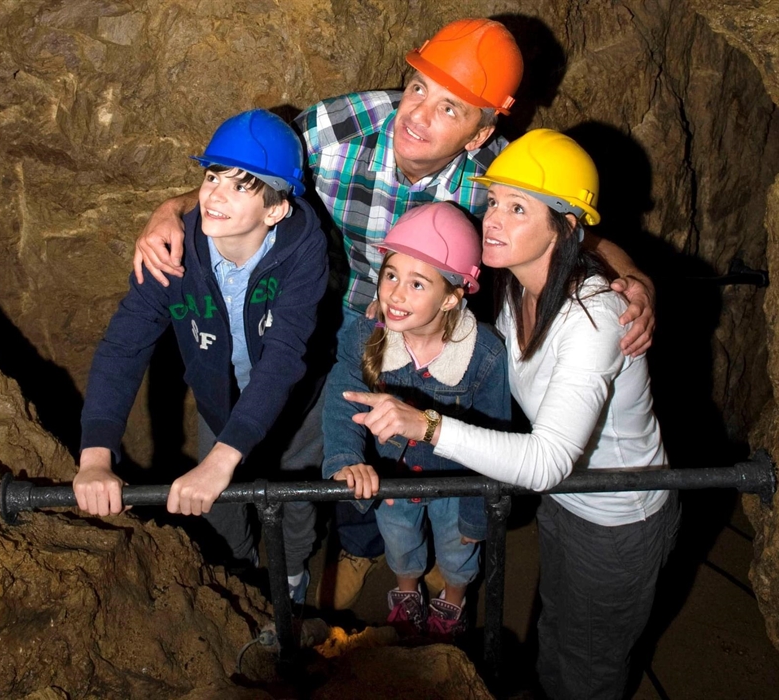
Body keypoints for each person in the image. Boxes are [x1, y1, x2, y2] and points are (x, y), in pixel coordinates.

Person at [131, 18, 657, 609]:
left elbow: (563, 230)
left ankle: (452, 558)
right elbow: (248, 177)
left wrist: (629, 274)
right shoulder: (336, 131)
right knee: (345, 444)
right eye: (417, 89)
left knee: (424, 443)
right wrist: (172, 208)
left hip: (436, 329)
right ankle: (360, 550)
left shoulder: (497, 177)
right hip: (331, 321)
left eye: (450, 108)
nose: (418, 115)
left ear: (481, 135)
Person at [344, 129, 679, 699]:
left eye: (517, 208)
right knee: (555, 627)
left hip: (620, 514)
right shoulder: (509, 287)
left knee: (591, 663)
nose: (493, 219)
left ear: (565, 227)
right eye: (494, 201)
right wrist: (394, 303)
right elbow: (442, 293)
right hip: (568, 503)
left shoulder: (593, 317)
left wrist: (424, 425)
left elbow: (547, 460)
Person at [73, 109, 329, 605]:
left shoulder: (303, 250)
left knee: (294, 493)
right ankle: (238, 576)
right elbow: (124, 346)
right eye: (212, 176)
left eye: (242, 185)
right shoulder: (171, 251)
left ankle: (292, 575)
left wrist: (223, 459)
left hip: (296, 402)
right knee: (216, 505)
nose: (215, 194)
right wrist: (95, 455)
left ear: (275, 209)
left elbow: (283, 358)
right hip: (220, 398)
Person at [322, 202, 511, 639]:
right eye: (391, 275)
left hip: (457, 484)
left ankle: (454, 596)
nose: (395, 294)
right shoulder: (364, 335)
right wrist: (346, 457)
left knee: (457, 548)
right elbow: (341, 396)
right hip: (392, 478)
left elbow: (498, 437)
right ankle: (407, 590)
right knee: (400, 541)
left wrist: (476, 517)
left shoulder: (485, 355)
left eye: (417, 283)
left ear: (451, 297)